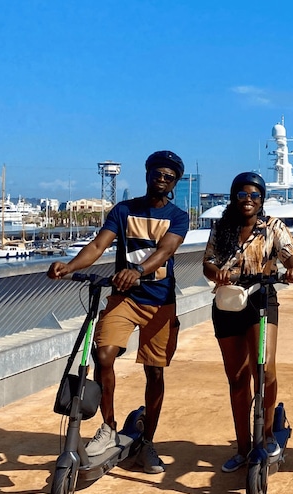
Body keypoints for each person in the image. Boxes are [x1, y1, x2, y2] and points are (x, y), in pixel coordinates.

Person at [47, 150, 190, 474]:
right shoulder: (123, 210)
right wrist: (67, 267)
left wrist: (138, 270)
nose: (162, 180)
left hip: (160, 303)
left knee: (155, 372)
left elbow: (165, 249)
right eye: (157, 173)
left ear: (174, 183)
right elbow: (98, 246)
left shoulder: (178, 216)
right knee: (104, 356)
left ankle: (148, 442)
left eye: (169, 177)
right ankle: (109, 427)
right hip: (123, 298)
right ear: (147, 175)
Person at [202, 172, 293, 473]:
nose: (248, 200)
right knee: (237, 378)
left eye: (254, 195)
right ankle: (243, 446)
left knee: (265, 368)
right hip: (228, 302)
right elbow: (208, 262)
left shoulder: (273, 227)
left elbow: (291, 257)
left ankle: (268, 433)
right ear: (234, 197)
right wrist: (216, 273)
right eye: (242, 194)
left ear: (262, 199)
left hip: (261, 298)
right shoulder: (221, 228)